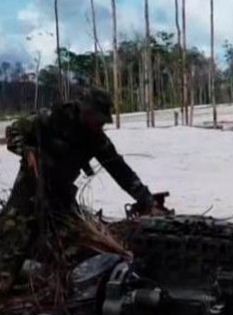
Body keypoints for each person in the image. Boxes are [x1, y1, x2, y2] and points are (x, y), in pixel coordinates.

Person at [1, 88, 158, 295]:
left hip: (60, 198)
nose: (100, 126)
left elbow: (120, 171)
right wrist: (27, 151)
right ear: (85, 111)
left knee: (75, 248)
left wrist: (147, 200)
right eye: (97, 120)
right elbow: (14, 131)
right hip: (29, 192)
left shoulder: (96, 139)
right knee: (10, 245)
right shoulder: (51, 118)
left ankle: (55, 288)